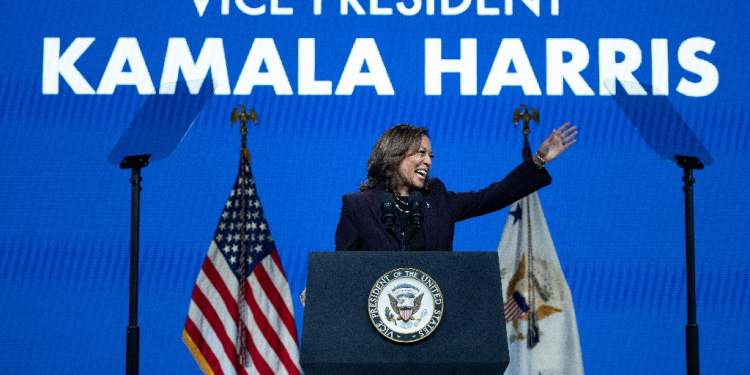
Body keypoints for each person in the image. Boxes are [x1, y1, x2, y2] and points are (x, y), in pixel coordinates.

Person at [300, 123, 576, 305]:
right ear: (394, 155)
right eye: (420, 153)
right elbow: (343, 263)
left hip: (436, 324)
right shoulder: (357, 205)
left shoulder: (438, 198)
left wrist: (537, 161)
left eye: (431, 155)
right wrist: (323, 288)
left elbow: (492, 196)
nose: (428, 161)